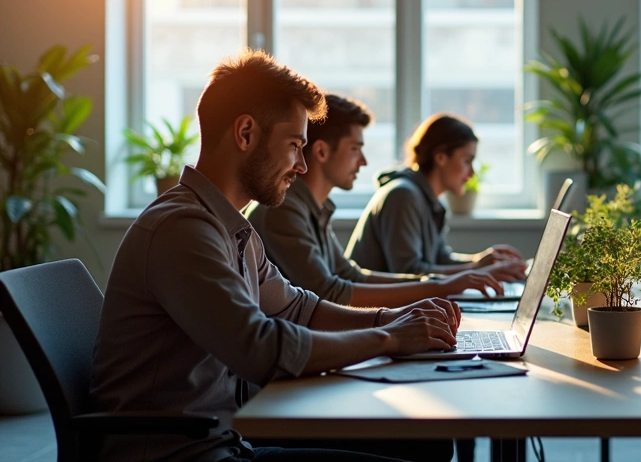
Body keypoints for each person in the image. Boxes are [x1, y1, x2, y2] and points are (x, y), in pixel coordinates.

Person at [92, 50, 463, 462]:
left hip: (230, 439)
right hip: (185, 455)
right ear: (245, 133)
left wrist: (389, 318)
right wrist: (390, 338)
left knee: (428, 442)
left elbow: (297, 308)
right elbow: (261, 349)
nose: (302, 165)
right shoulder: (182, 229)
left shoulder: (231, 226)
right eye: (294, 145)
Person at [247, 93, 504, 309]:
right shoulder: (283, 208)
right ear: (322, 151)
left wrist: (446, 282)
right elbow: (329, 292)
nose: (363, 161)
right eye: (355, 149)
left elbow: (350, 275)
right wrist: (441, 286)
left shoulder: (313, 206)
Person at [346, 113, 525, 280]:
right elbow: (409, 272)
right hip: (371, 303)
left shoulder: (426, 199)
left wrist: (482, 261)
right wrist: (476, 268)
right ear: (440, 157)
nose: (472, 172)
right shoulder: (403, 196)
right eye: (467, 161)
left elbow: (440, 259)